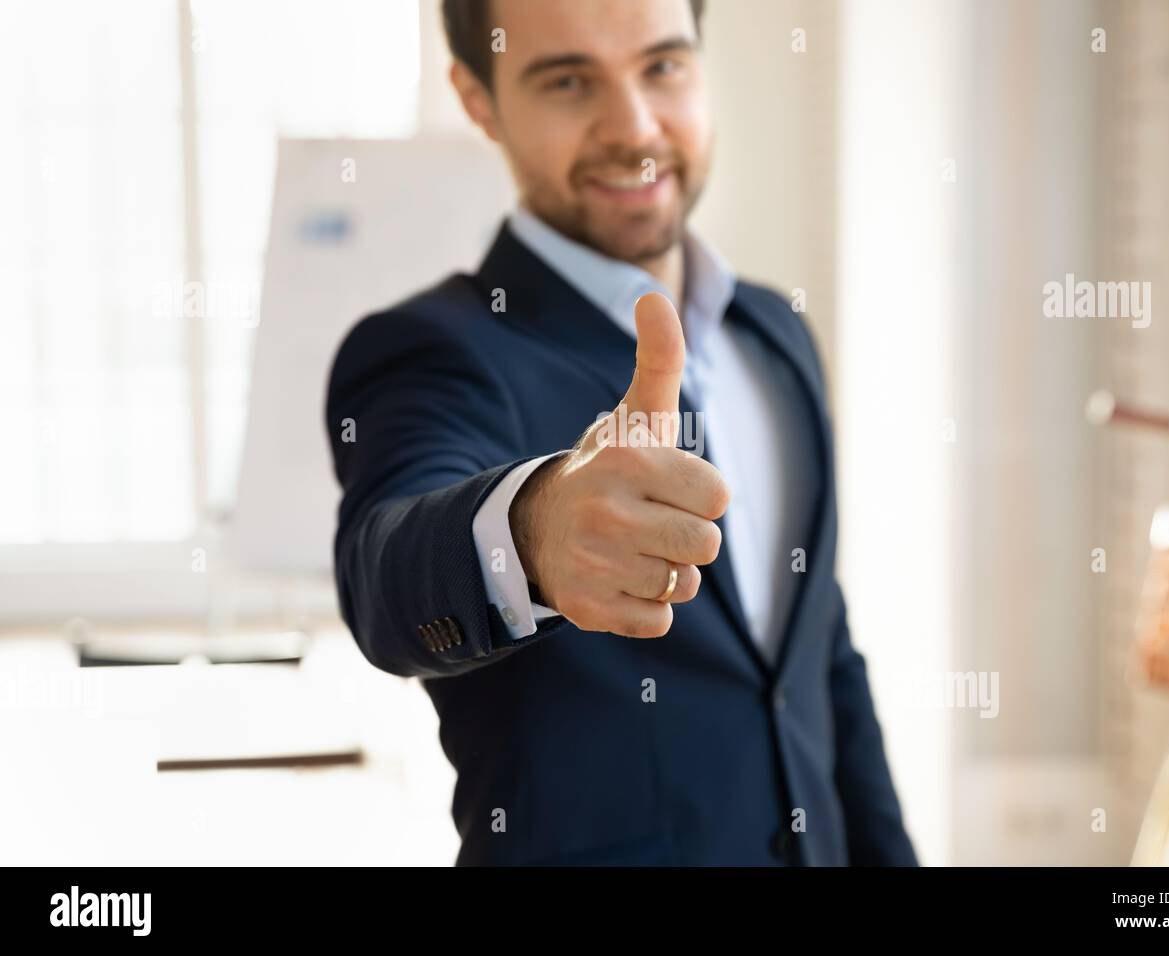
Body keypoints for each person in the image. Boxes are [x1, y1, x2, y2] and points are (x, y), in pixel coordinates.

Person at [326, 0, 917, 866]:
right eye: (568, 81)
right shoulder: (436, 350)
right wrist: (533, 533)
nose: (634, 125)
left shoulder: (776, 335)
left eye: (663, 66)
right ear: (478, 99)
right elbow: (386, 578)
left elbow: (821, 658)